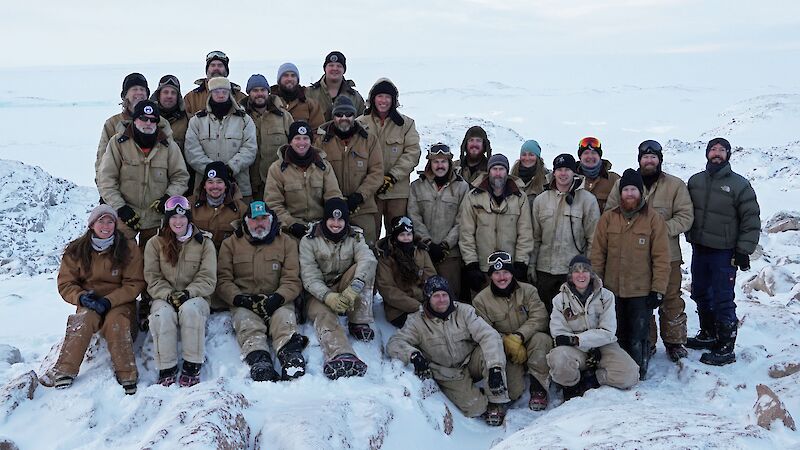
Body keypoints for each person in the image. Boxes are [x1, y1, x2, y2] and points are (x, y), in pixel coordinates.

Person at [605, 140, 694, 361]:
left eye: (654, 157)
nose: (649, 160)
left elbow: (685, 217)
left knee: (671, 298)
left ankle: (674, 342)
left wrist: (658, 229)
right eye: (645, 157)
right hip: (633, 257)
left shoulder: (675, 185)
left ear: (660, 160)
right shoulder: (624, 184)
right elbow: (610, 213)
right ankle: (648, 341)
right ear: (639, 160)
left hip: (669, 255)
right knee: (640, 300)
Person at [44, 205, 145, 394]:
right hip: (90, 300)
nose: (106, 226)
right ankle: (65, 370)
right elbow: (66, 284)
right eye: (101, 221)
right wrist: (82, 297)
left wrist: (109, 301)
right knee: (82, 320)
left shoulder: (128, 248)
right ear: (92, 225)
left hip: (120, 302)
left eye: (110, 222)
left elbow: (134, 283)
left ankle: (127, 373)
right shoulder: (76, 250)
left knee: (117, 322)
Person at [387, 276, 510, 426]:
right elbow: (395, 343)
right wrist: (413, 355)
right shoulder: (416, 321)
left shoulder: (464, 311)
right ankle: (482, 400)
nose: (441, 299)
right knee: (476, 408)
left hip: (471, 360)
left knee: (490, 353)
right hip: (448, 372)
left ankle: (496, 402)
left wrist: (495, 367)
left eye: (445, 295)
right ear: (428, 298)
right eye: (436, 296)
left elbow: (488, 335)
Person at [685, 137, 760, 365]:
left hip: (724, 253)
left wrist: (743, 250)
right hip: (700, 247)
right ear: (707, 153)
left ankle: (726, 347)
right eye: (713, 149)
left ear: (728, 155)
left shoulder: (739, 185)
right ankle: (708, 333)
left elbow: (751, 219)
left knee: (723, 299)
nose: (717, 153)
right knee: (699, 292)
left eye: (722, 150)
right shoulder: (695, 181)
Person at [591, 169, 670, 379]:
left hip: (640, 291)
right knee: (615, 335)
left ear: (641, 192)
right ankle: (616, 372)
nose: (629, 194)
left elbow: (661, 259)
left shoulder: (654, 220)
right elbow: (598, 254)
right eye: (625, 189)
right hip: (611, 290)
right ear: (620, 192)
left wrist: (658, 289)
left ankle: (638, 372)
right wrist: (596, 286)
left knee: (638, 336)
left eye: (633, 189)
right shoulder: (608, 219)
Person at [217, 201, 307, 381]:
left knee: (284, 319)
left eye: (264, 219)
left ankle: (290, 357)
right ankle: (260, 360)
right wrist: (240, 300)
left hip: (278, 299)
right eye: (254, 220)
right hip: (245, 301)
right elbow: (223, 280)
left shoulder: (286, 242)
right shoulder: (230, 244)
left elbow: (292, 278)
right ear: (246, 222)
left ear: (272, 220)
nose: (259, 224)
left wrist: (278, 298)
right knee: (247, 324)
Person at [299, 198, 376, 379]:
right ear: (325, 219)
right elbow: (309, 276)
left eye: (340, 220)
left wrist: (352, 290)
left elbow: (368, 259)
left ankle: (358, 319)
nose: (336, 224)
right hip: (318, 292)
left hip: (344, 285)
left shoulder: (355, 236)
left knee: (366, 269)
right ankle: (341, 353)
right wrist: (328, 297)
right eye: (332, 219)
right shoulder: (309, 240)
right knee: (324, 315)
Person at [97, 100, 190, 248]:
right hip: (125, 215)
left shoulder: (168, 145)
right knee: (122, 259)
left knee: (155, 262)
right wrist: (120, 208)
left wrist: (168, 198)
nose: (148, 123)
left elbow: (181, 177)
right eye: (143, 119)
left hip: (156, 218)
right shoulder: (117, 143)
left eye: (153, 120)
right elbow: (106, 179)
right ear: (134, 119)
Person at [144, 196, 216, 387]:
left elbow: (208, 277)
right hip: (163, 296)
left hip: (196, 297)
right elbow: (152, 277)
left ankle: (192, 365)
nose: (178, 221)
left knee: (190, 311)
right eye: (173, 217)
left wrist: (188, 293)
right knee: (162, 315)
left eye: (182, 217)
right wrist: (168, 294)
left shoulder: (205, 243)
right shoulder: (154, 243)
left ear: (189, 219)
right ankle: (166, 367)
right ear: (167, 219)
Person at [547, 256, 639, 400]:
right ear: (570, 276)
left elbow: (608, 331)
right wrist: (580, 344)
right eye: (576, 271)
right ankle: (571, 385)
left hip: (604, 346)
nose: (581, 275)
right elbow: (559, 334)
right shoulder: (559, 300)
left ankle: (592, 380)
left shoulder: (606, 296)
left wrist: (587, 342)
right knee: (558, 360)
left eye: (585, 271)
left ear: (591, 274)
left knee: (630, 374)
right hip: (574, 348)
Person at [472, 251, 552, 410]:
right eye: (496, 273)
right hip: (505, 350)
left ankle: (538, 387)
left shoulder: (528, 291)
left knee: (542, 340)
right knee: (514, 392)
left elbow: (541, 317)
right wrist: (507, 342)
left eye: (506, 272)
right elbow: (484, 332)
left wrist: (519, 336)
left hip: (528, 341)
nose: (502, 278)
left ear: (512, 273)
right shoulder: (480, 300)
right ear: (490, 276)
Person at [530, 153, 599, 313]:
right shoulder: (541, 200)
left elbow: (593, 239)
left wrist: (588, 270)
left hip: (573, 271)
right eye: (559, 169)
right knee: (545, 315)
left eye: (567, 169)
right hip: (544, 271)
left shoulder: (587, 200)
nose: (563, 173)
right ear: (553, 172)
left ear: (574, 172)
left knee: (571, 317)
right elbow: (535, 237)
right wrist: (532, 265)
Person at [459, 154, 533, 296]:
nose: (498, 173)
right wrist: (471, 264)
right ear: (489, 171)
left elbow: (525, 232)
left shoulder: (519, 197)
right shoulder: (474, 196)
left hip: (509, 268)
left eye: (501, 169)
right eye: (494, 169)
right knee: (482, 310)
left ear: (507, 172)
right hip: (482, 268)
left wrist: (521, 262)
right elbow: (466, 233)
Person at [314, 97, 383, 246]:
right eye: (339, 114)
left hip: (362, 208)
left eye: (348, 114)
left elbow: (376, 172)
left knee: (367, 249)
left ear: (354, 116)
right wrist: (332, 199)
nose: (344, 118)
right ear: (333, 117)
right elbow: (317, 173)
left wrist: (359, 196)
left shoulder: (369, 139)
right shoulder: (321, 141)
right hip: (331, 209)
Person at [356, 78, 421, 237]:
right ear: (373, 99)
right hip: (371, 193)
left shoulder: (406, 124)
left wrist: (392, 177)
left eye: (388, 97)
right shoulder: (359, 123)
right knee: (370, 237)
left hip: (397, 192)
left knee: (398, 236)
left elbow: (412, 152)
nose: (383, 101)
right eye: (380, 96)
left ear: (394, 100)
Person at [407, 143, 469, 300]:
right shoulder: (417, 186)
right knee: (424, 296)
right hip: (423, 253)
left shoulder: (462, 187)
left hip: (450, 255)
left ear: (450, 163)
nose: (440, 165)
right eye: (436, 161)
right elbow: (414, 216)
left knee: (449, 297)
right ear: (430, 163)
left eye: (443, 161)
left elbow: (463, 219)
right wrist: (427, 242)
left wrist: (446, 245)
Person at [264, 121, 342, 240]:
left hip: (321, 228)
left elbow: (333, 196)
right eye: (297, 138)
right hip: (290, 231)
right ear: (290, 141)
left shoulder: (323, 166)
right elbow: (273, 204)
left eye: (306, 138)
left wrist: (329, 222)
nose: (302, 142)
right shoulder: (277, 169)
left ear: (311, 141)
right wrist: (291, 225)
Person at [185, 77, 258, 202]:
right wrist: (212, 172)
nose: (220, 95)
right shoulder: (197, 121)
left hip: (239, 188)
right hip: (205, 188)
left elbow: (250, 148)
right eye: (216, 92)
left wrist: (230, 168)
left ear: (229, 93)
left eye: (224, 92)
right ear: (210, 94)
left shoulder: (244, 119)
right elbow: (192, 151)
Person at [95, 73, 174, 178]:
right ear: (125, 95)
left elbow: (172, 158)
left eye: (142, 89)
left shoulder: (160, 122)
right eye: (134, 89)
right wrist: (104, 189)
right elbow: (102, 160)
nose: (139, 93)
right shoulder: (112, 124)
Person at [376, 216, 436, 328]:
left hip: (424, 302)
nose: (406, 238)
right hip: (399, 310)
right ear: (395, 237)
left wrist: (431, 300)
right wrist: (417, 306)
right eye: (402, 235)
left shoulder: (420, 252)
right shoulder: (386, 257)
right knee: (425, 327)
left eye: (409, 235)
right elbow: (388, 290)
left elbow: (431, 277)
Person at [240, 73, 293, 201]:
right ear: (248, 93)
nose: (259, 94)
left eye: (263, 90)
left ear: (268, 92)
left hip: (278, 182)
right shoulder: (240, 118)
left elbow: (294, 147)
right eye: (255, 90)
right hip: (249, 185)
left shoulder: (284, 117)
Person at [189, 161, 247, 250]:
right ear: (204, 185)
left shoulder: (240, 208)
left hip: (227, 255)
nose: (215, 186)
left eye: (219, 182)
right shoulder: (191, 205)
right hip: (198, 255)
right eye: (210, 182)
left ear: (226, 185)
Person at [151, 75, 192, 195]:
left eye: (173, 93)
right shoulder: (147, 121)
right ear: (158, 95)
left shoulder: (189, 120)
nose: (169, 96)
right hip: (154, 183)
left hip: (182, 184)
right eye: (166, 92)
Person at [307, 51, 366, 121]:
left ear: (344, 70)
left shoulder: (355, 97)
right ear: (325, 69)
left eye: (339, 66)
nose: (335, 68)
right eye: (331, 65)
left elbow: (362, 123)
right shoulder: (309, 93)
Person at [184, 50, 247, 117]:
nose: (216, 68)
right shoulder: (191, 98)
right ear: (207, 70)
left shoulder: (241, 98)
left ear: (226, 70)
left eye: (220, 65)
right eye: (212, 65)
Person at [271, 62, 325, 131]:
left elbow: (318, 132)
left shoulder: (310, 105)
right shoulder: (270, 104)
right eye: (285, 75)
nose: (290, 79)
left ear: (297, 80)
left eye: (293, 75)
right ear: (279, 80)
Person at [575, 137, 620, 212]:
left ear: (600, 156)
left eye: (594, 153)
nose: (590, 156)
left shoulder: (614, 180)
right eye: (586, 153)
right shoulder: (570, 178)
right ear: (580, 157)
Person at [511, 139, 551, 210]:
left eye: (531, 155)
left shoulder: (547, 180)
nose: (527, 158)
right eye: (524, 154)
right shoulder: (512, 178)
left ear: (537, 157)